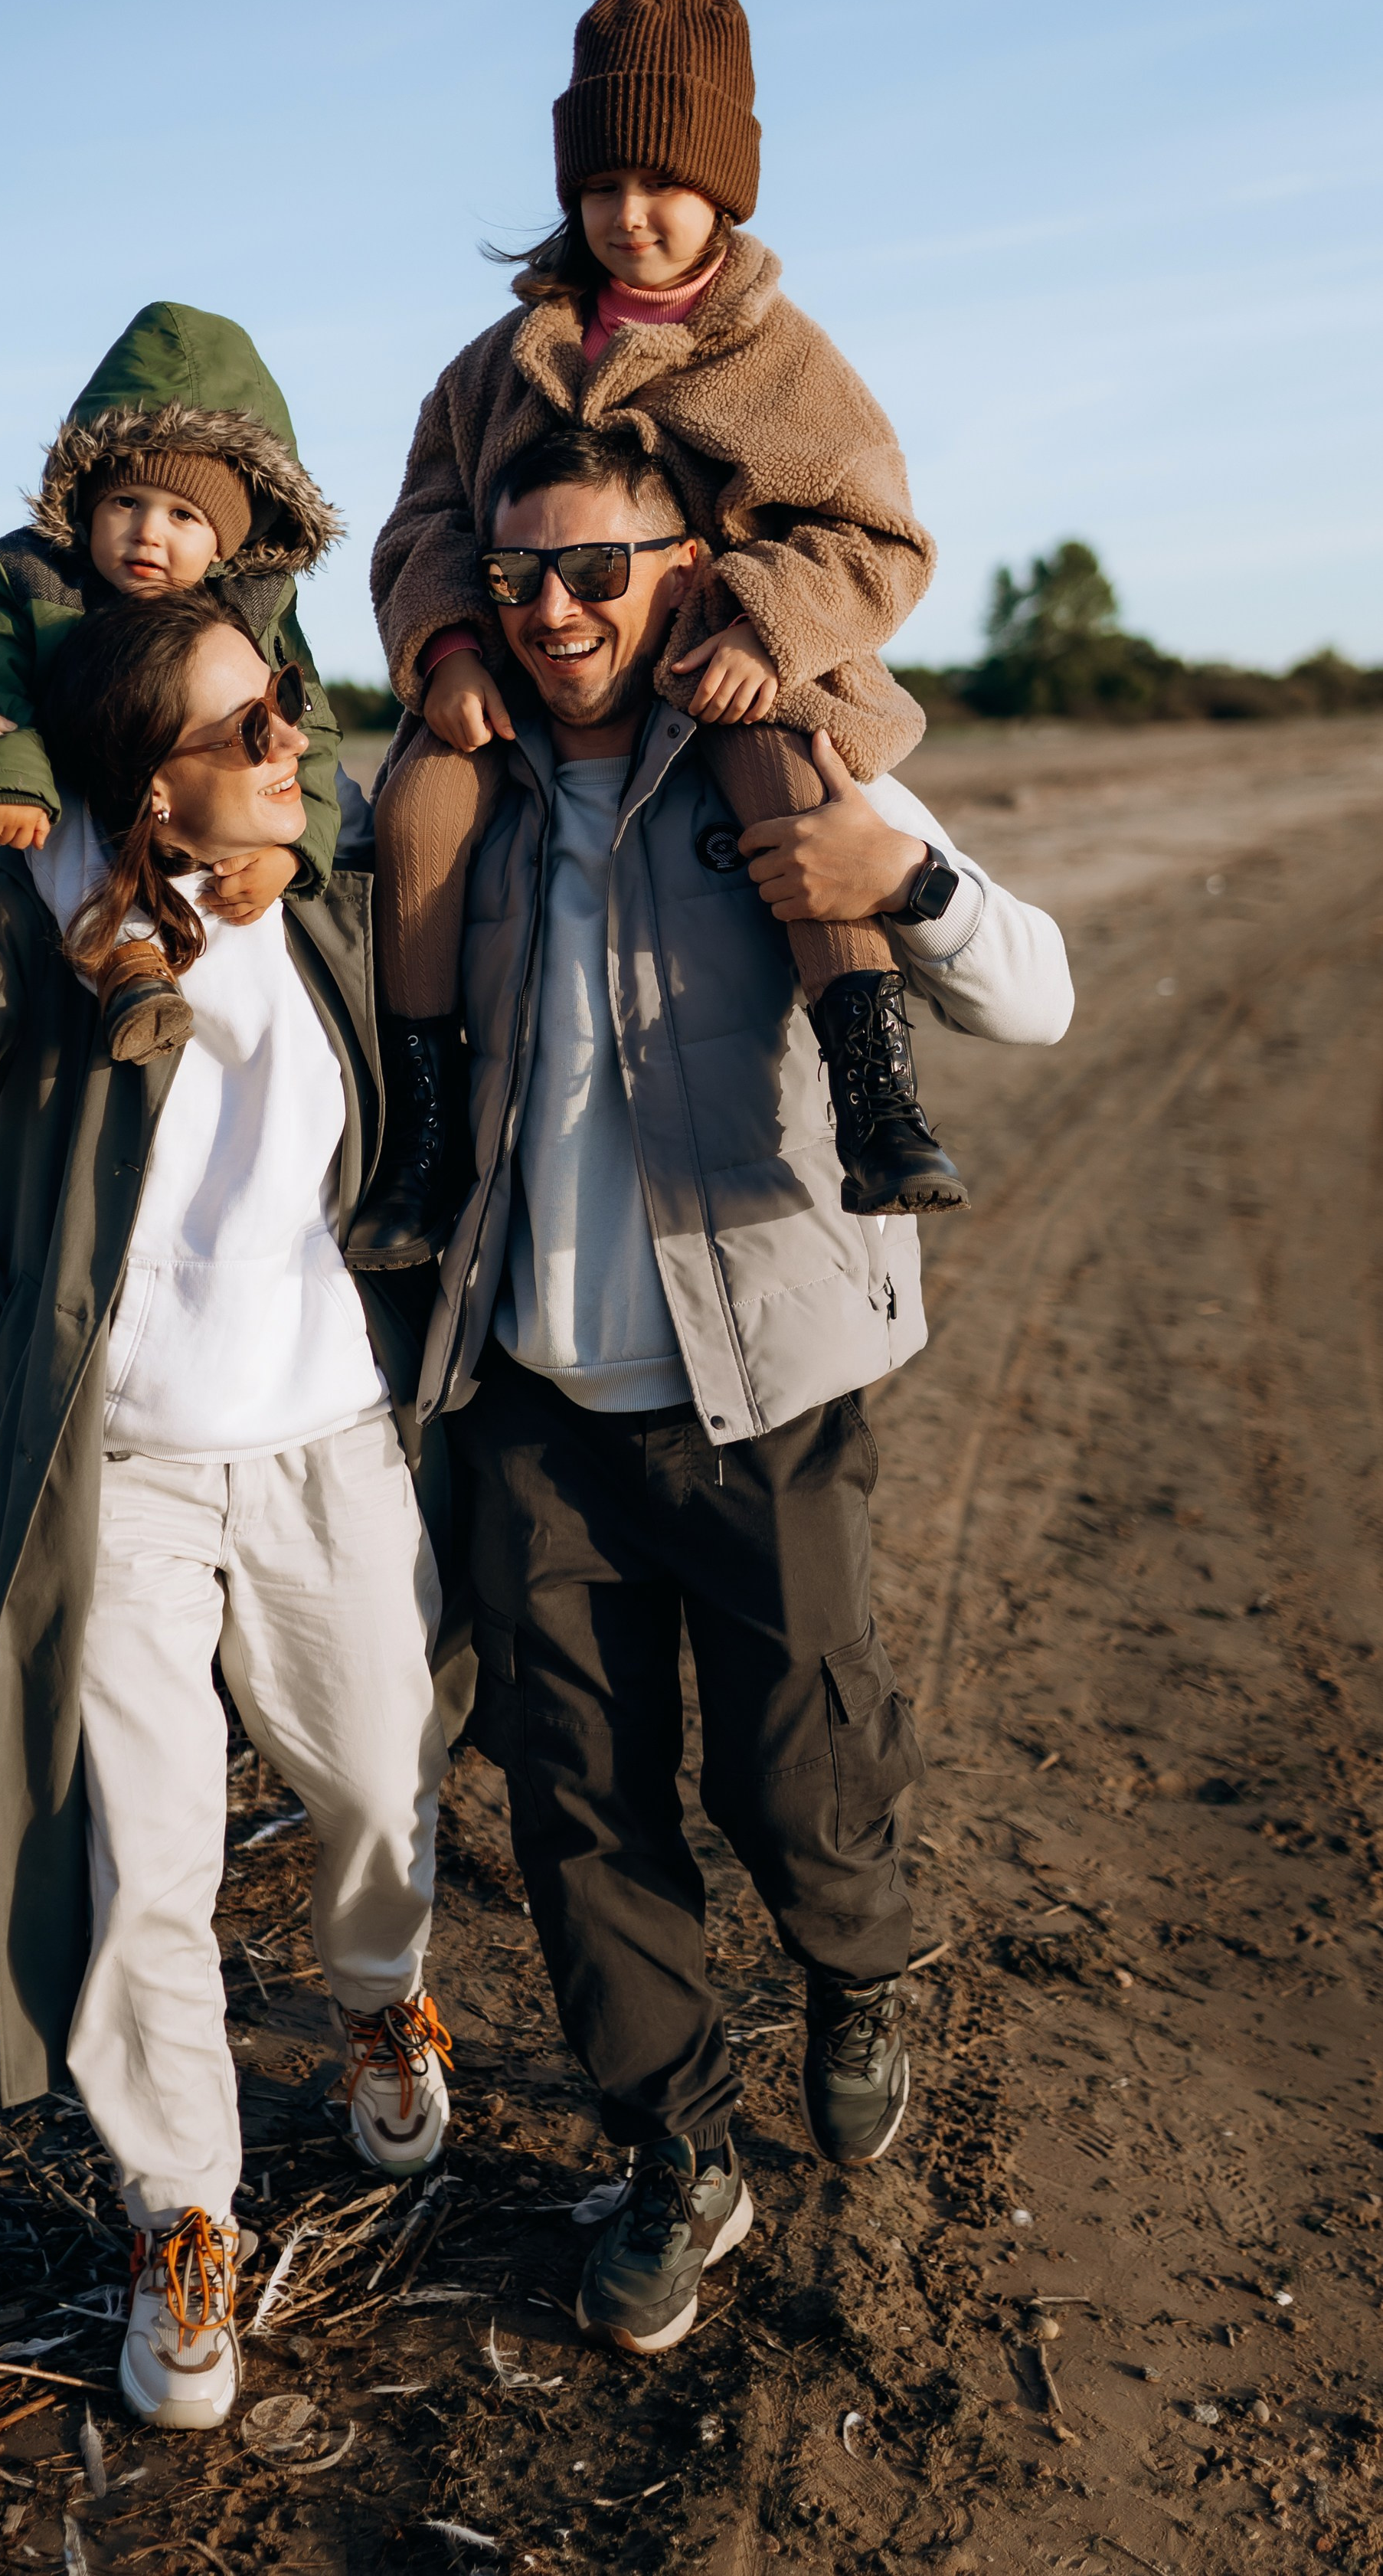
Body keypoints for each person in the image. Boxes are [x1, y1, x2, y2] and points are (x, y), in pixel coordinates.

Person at [414, 419, 1073, 2357]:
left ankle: (860, 1962)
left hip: (765, 1387)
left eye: (596, 567)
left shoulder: (790, 751)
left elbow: (1035, 994)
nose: (553, 609)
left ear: (692, 561)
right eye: (519, 574)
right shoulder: (463, 795)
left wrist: (913, 878)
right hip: (534, 1398)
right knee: (577, 1814)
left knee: (799, 1778)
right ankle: (675, 2150)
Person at [0, 584, 452, 2432]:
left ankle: (381, 1994)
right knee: (144, 1858)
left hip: (331, 1435)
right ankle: (185, 2208)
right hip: (131, 1469)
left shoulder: (317, 889)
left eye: (288, 710)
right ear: (147, 778)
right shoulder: (58, 920)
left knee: (377, 1776)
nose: (289, 743)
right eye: (247, 727)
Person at [352, 0, 963, 1265]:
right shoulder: (499, 367)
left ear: (725, 191)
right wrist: (450, 643)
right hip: (532, 671)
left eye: (665, 186)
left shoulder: (780, 358)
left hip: (723, 678)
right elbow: (424, 522)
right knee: (414, 808)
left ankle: (876, 1097)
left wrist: (764, 625)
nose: (632, 215)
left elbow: (879, 536)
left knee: (784, 778)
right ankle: (421, 1139)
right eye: (604, 185)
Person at [0, 297, 355, 1059]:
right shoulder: (28, 579)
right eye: (125, 501)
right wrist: (9, 782)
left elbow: (307, 731)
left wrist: (294, 855)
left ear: (225, 538)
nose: (146, 532)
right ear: (87, 500)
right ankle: (123, 961)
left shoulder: (252, 609)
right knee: (67, 830)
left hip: (192, 819)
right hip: (73, 794)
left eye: (183, 516)